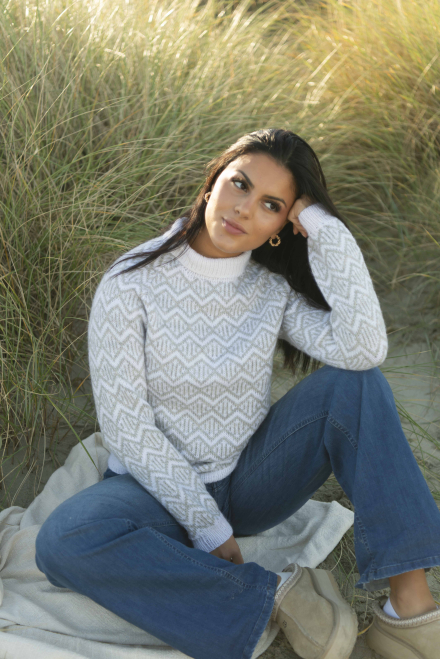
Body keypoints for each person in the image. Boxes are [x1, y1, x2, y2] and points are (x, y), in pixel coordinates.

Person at [35, 128, 440, 659]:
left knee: (355, 385)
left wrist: (324, 225)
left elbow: (363, 349)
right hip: (152, 493)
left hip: (250, 480)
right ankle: (276, 598)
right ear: (212, 183)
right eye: (240, 184)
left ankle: (409, 609)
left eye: (272, 205)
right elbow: (126, 428)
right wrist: (206, 526)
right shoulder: (131, 282)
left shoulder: (269, 290)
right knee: (62, 540)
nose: (245, 209)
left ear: (281, 226)